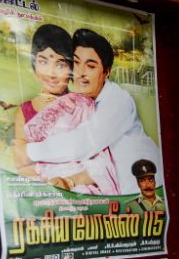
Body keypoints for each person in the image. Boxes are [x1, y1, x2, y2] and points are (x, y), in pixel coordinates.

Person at [21, 28, 162, 196]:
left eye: (91, 65)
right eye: (76, 63)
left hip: (139, 190)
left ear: (106, 72)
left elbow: (84, 142)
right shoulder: (80, 103)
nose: (81, 72)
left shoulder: (118, 99)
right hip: (112, 195)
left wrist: (30, 151)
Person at [12, 24, 120, 195]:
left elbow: (103, 164)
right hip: (44, 195)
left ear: (71, 68)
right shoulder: (25, 111)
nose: (51, 73)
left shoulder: (83, 105)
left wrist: (68, 181)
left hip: (83, 193)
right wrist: (46, 184)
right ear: (34, 64)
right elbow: (21, 163)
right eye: (43, 61)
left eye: (60, 64)